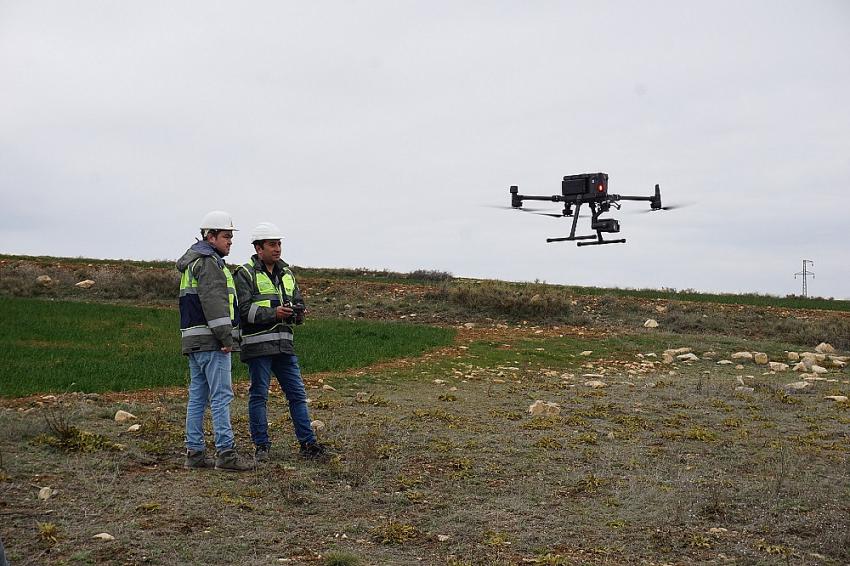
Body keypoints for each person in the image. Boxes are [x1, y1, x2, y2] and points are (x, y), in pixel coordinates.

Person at [233, 222, 330, 462]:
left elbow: (298, 301)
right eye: (272, 244)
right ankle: (262, 447)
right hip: (258, 346)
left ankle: (308, 444)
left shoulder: (288, 274)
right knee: (259, 396)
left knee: (297, 395)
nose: (277, 249)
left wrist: (298, 312)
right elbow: (243, 311)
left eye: (279, 244)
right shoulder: (244, 274)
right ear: (258, 248)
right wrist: (274, 314)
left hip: (284, 345)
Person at [177, 210, 255, 472]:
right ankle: (226, 454)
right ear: (210, 237)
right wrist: (226, 338)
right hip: (212, 341)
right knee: (222, 396)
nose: (230, 241)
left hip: (193, 341)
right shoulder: (209, 262)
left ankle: (195, 452)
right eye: (225, 236)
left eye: (231, 237)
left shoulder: (192, 263)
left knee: (197, 397)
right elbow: (215, 304)